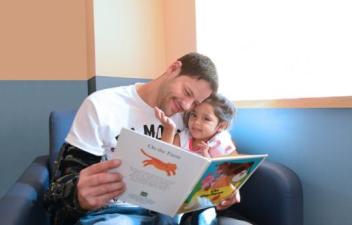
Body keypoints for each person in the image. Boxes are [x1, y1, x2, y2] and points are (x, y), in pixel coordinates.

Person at [43, 52, 245, 225]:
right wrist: (77, 196)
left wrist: (224, 188)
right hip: (116, 212)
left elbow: (221, 155)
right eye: (187, 92)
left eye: (195, 103)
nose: (186, 106)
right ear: (173, 68)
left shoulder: (190, 120)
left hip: (175, 214)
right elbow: (61, 189)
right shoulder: (102, 106)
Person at [154, 94, 237, 158]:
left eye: (206, 119)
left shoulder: (219, 142)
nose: (196, 122)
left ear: (221, 126)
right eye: (194, 115)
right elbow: (163, 155)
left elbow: (227, 170)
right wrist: (169, 129)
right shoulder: (184, 137)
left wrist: (206, 157)